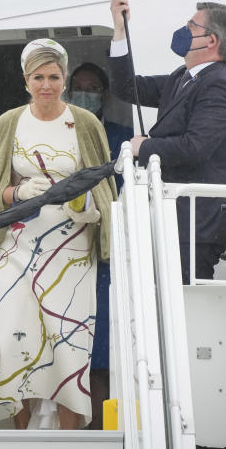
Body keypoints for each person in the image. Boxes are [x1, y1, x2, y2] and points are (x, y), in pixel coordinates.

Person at [0, 39, 116, 431]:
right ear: (25, 79)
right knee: (10, 340)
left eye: (53, 76)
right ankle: (22, 435)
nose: (46, 85)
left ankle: (68, 438)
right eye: (38, 77)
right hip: (18, 244)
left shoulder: (85, 122)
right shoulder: (8, 122)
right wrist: (18, 193)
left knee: (66, 344)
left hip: (72, 247)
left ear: (64, 78)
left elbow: (103, 188)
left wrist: (84, 206)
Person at [108, 0, 226, 284]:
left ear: (211, 40)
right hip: (172, 220)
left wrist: (144, 147)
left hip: (192, 226)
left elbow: (194, 148)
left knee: (183, 312)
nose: (183, 31)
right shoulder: (182, 78)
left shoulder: (218, 85)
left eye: (190, 26)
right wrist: (120, 30)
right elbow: (126, 88)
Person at [65, 62, 132, 429]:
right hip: (65, 249)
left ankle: (103, 425)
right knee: (67, 341)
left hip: (106, 251)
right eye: (79, 86)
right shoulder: (55, 135)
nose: (84, 93)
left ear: (104, 95)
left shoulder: (121, 138)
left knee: (102, 343)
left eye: (92, 87)